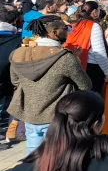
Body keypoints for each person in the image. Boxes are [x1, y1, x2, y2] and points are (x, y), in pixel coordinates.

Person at [8, 15, 93, 155]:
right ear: (53, 33)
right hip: (57, 117)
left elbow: (15, 81)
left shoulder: (18, 54)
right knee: (57, 158)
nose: (68, 31)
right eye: (65, 28)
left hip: (30, 114)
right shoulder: (66, 58)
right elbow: (85, 85)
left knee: (33, 158)